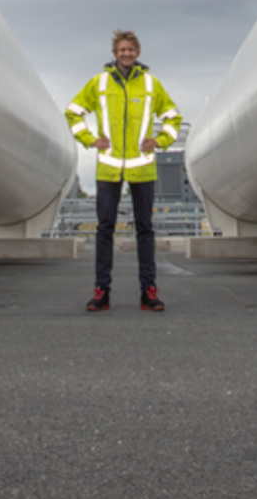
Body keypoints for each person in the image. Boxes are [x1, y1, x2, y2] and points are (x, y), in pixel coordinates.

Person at [65, 30, 182, 312]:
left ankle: (149, 292)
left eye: (131, 49)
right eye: (122, 50)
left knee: (145, 229)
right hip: (109, 168)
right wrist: (90, 140)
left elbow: (172, 116)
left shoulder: (151, 84)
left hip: (142, 169)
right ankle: (101, 292)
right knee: (105, 229)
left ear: (137, 52)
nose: (126, 54)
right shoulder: (99, 83)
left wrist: (160, 140)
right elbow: (73, 111)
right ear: (115, 53)